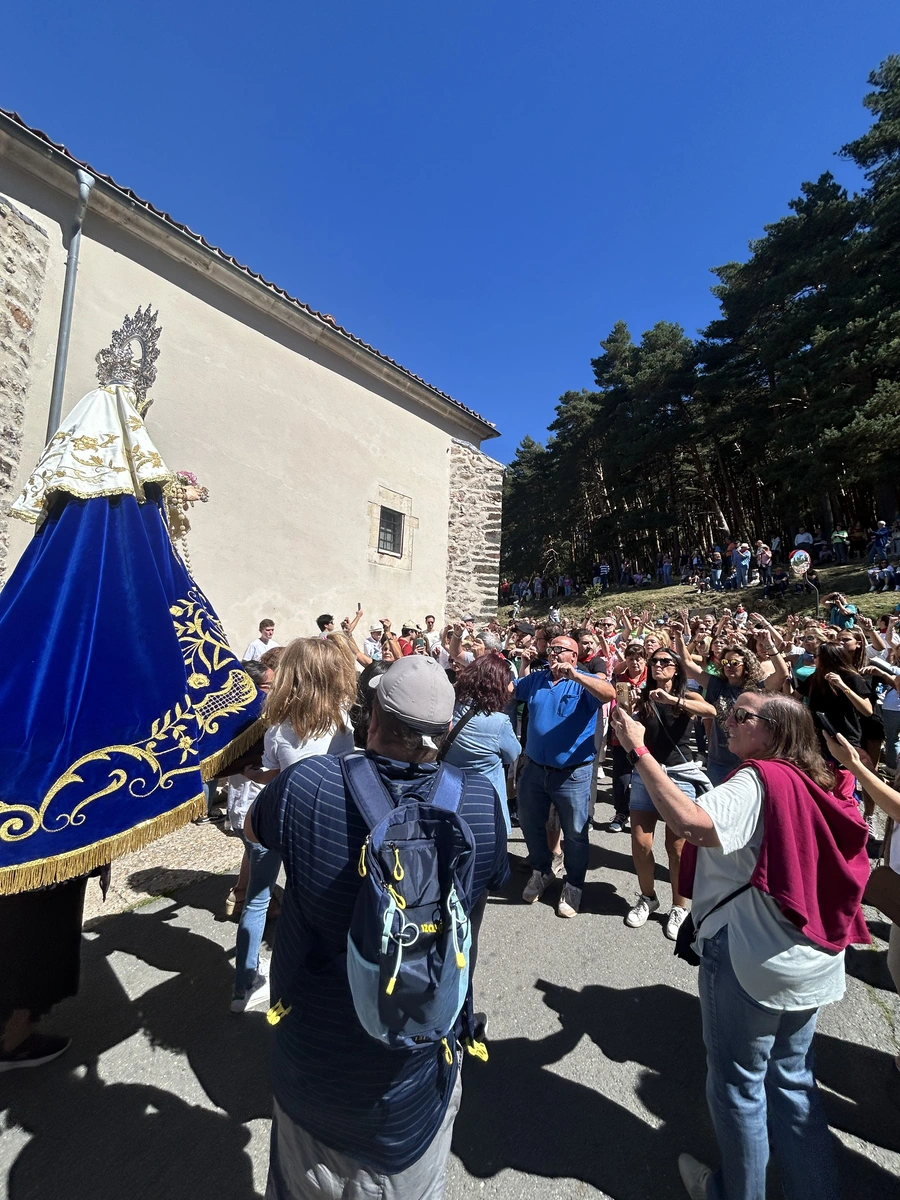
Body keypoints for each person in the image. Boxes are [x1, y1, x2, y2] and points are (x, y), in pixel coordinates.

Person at [246, 656, 507, 1199]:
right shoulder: (481, 802)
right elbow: (490, 879)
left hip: (312, 1065)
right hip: (411, 1085)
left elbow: (252, 828)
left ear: (371, 720)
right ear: (445, 732)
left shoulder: (308, 784)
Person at [612, 693, 869, 1200]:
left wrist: (638, 750)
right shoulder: (825, 781)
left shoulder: (759, 778)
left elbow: (689, 823)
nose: (727, 721)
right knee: (793, 1083)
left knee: (738, 1088)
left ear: (775, 732)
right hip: (812, 954)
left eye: (741, 716)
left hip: (751, 956)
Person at [232, 638, 357, 1013]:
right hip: (321, 824)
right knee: (312, 903)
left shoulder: (279, 726)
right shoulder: (341, 720)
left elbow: (279, 775)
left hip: (275, 816)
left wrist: (256, 773)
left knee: (257, 897)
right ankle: (309, 983)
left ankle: (243, 985)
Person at [514, 635, 615, 917]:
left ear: (574, 655)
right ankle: (542, 870)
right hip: (535, 768)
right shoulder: (537, 679)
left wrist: (576, 676)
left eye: (560, 650)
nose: (553, 654)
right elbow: (512, 689)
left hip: (573, 773)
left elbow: (609, 694)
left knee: (575, 833)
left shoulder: (583, 680)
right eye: (550, 649)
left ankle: (573, 884)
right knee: (530, 821)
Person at [624, 649, 715, 938]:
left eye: (666, 662)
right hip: (646, 772)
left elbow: (711, 711)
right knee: (640, 843)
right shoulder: (642, 697)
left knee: (676, 848)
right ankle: (648, 897)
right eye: (655, 662)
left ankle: (679, 906)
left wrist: (673, 700)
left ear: (676, 669)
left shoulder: (689, 697)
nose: (658, 666)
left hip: (679, 773)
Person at [440, 653, 521, 833]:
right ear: (496, 685)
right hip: (486, 801)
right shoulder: (499, 722)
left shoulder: (449, 708)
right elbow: (513, 754)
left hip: (450, 794)